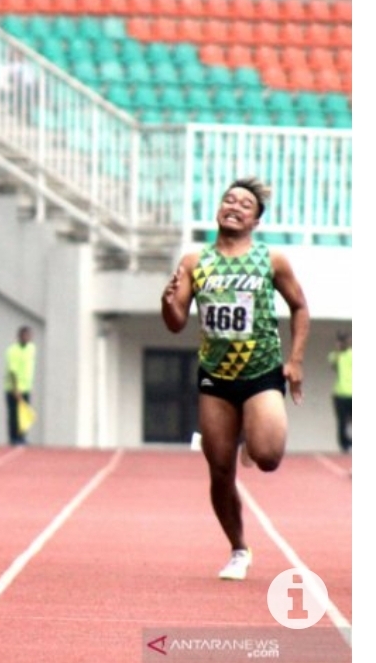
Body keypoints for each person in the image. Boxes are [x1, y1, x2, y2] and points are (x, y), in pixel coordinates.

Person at [161, 176, 309, 581]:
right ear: (218, 210)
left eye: (245, 204)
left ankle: (250, 433)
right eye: (229, 200)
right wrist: (167, 300)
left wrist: (295, 360)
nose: (235, 206)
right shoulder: (194, 261)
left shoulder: (271, 259)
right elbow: (175, 323)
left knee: (268, 458)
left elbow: (300, 307)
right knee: (221, 470)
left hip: (261, 373)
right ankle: (239, 549)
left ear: (255, 221)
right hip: (216, 377)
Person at [4, 326, 36, 445]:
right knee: (14, 414)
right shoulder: (13, 350)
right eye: (24, 335)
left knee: (24, 414)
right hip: (13, 388)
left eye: (29, 335)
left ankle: (22, 436)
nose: (27, 338)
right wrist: (15, 388)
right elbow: (12, 371)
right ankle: (13, 438)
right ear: (19, 336)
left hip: (26, 387)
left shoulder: (31, 348)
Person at [328, 331, 352, 453]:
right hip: (340, 394)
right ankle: (345, 445)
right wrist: (338, 349)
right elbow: (333, 364)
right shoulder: (334, 355)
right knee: (342, 421)